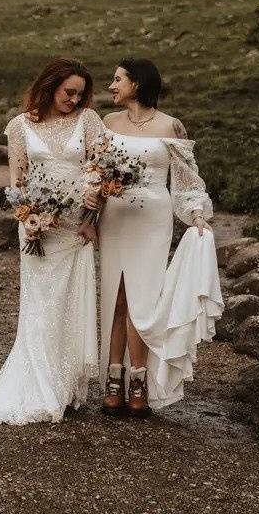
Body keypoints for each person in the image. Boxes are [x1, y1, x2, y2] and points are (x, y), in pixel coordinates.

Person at [0, 58, 104, 425]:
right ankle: (39, 384)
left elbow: (100, 174)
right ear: (50, 85)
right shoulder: (19, 126)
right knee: (40, 307)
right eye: (68, 92)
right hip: (39, 226)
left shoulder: (88, 121)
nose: (74, 99)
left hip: (75, 229)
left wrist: (91, 219)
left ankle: (65, 385)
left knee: (70, 304)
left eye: (81, 94)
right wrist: (28, 218)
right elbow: (18, 180)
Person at [96, 57, 218, 417]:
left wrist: (197, 215)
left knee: (142, 301)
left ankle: (140, 380)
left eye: (117, 80)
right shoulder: (108, 122)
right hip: (115, 217)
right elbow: (97, 175)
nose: (111, 86)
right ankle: (113, 378)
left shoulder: (170, 126)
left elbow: (185, 180)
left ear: (137, 83)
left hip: (152, 218)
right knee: (115, 298)